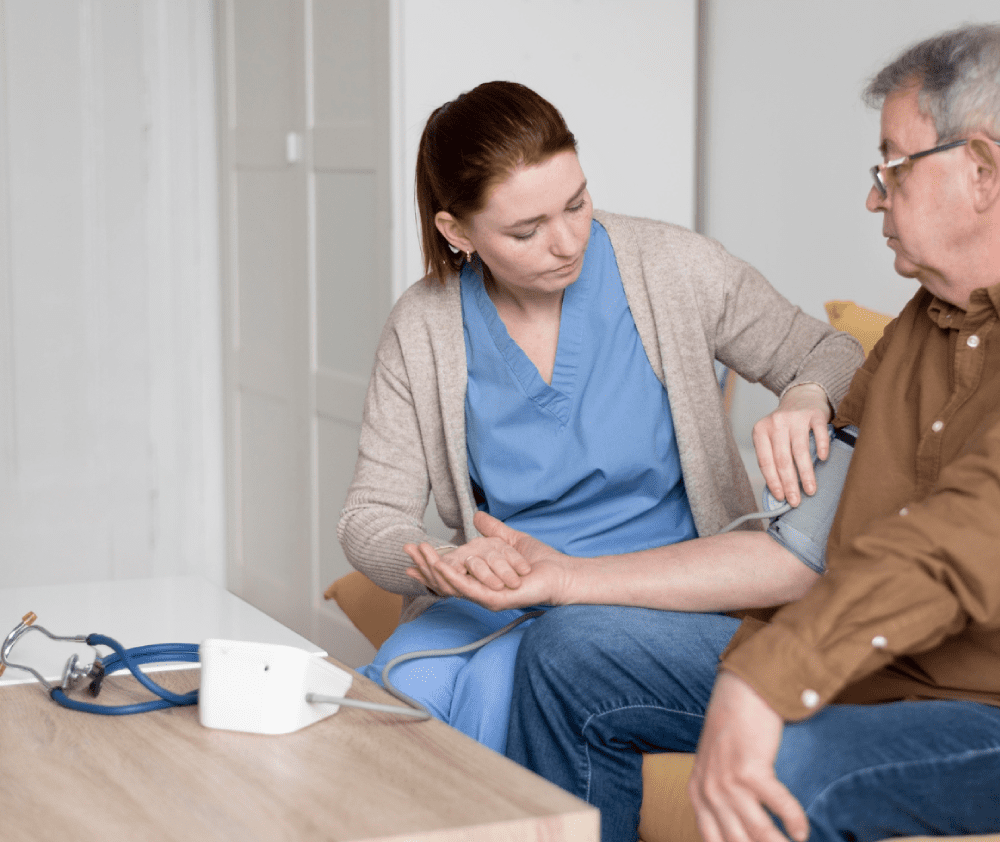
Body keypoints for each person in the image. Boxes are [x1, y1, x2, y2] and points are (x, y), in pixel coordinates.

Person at [406, 23, 1000, 842]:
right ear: (456, 231)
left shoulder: (667, 268)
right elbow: (799, 554)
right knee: (571, 653)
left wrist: (771, 674)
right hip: (858, 668)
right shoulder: (911, 335)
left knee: (791, 770)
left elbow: (962, 536)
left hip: (976, 708)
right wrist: (566, 580)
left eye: (891, 167)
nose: (873, 195)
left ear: (982, 170)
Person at [337, 80, 862, 754]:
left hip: (649, 605)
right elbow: (369, 516)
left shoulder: (672, 267)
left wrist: (805, 394)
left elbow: (835, 351)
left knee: (493, 702)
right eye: (526, 231)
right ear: (457, 231)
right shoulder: (424, 325)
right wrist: (445, 562)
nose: (566, 242)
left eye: (577, 204)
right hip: (498, 600)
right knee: (395, 702)